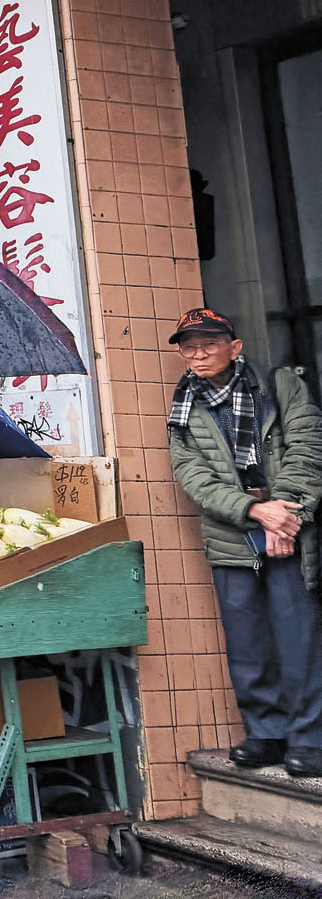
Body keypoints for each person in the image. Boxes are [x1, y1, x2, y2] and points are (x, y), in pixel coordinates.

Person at [165, 306, 322, 775]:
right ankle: (266, 733)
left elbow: (309, 446)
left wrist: (284, 515)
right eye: (189, 346)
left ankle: (310, 739)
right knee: (247, 643)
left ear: (234, 348)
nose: (198, 354)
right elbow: (190, 474)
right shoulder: (183, 405)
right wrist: (253, 510)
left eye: (209, 344)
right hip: (232, 531)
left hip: (288, 525)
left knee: (298, 639)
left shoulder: (279, 385)